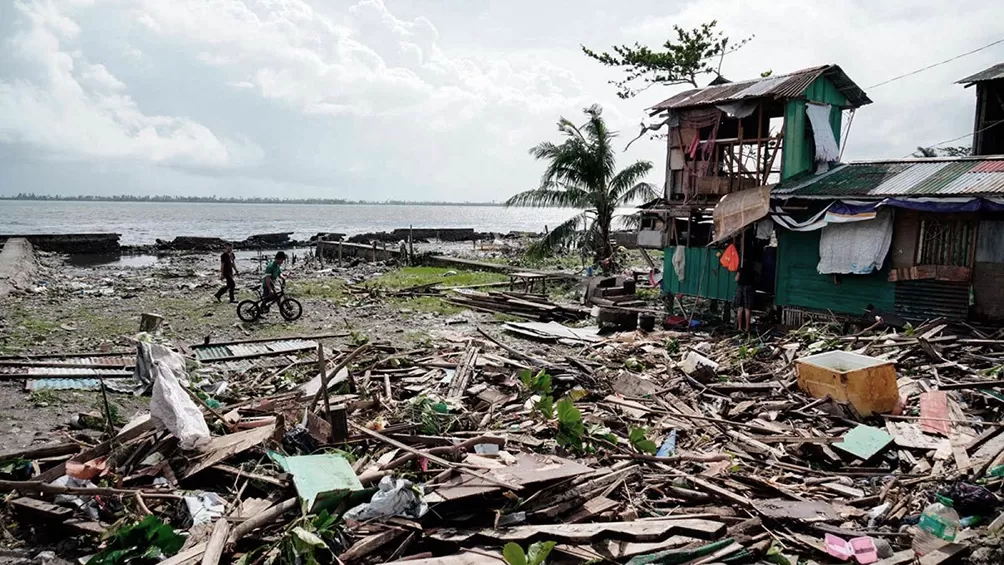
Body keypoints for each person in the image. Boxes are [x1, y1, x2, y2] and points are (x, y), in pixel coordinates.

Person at [734, 259, 756, 333]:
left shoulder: (741, 270)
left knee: (740, 308)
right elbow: (755, 281)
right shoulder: (753, 271)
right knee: (747, 309)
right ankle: (747, 328)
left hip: (740, 287)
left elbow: (736, 279)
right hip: (749, 288)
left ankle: (739, 327)